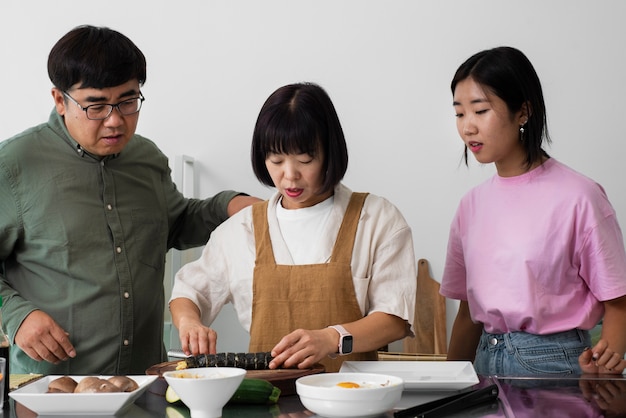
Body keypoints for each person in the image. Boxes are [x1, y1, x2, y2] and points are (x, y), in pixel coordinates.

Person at [0, 25, 259, 375]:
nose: (116, 120)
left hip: (143, 384)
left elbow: (174, 223)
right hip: (51, 392)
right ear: (60, 100)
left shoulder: (147, 158)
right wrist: (18, 316)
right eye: (96, 106)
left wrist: (230, 206)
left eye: (128, 101)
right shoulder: (14, 165)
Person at [170, 82, 416, 372]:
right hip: (267, 399)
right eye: (276, 160)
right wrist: (190, 323)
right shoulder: (241, 230)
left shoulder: (377, 219)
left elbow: (395, 319)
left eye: (304, 159)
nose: (289, 175)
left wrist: (331, 338)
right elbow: (188, 291)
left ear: (330, 152)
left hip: (354, 396)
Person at [441, 46, 626, 376]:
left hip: (558, 366)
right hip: (485, 366)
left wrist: (606, 371)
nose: (467, 127)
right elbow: (468, 315)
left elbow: (618, 300)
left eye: (480, 111)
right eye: (459, 113)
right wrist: (446, 387)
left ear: (523, 112)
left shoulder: (580, 196)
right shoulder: (470, 206)